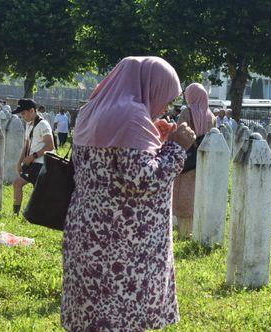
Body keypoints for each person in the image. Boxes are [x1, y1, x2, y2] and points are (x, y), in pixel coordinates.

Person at [62, 56, 195, 330]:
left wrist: (155, 142)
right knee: (120, 318)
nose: (166, 107)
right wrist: (178, 147)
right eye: (166, 98)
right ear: (150, 86)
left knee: (92, 315)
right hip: (122, 246)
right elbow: (141, 180)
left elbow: (112, 169)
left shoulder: (92, 109)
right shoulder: (132, 114)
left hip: (89, 233)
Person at [173, 83, 215, 237]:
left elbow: (179, 133)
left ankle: (184, 232)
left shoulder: (187, 112)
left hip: (187, 160)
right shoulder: (211, 116)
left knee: (183, 193)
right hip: (204, 161)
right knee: (199, 193)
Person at [11, 98, 55, 215]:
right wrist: (19, 162)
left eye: (23, 113)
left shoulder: (43, 124)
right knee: (36, 191)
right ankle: (20, 213)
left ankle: (19, 214)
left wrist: (33, 156)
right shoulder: (29, 124)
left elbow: (50, 146)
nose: (22, 116)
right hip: (31, 163)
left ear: (32, 110)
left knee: (18, 183)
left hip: (40, 164)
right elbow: (26, 146)